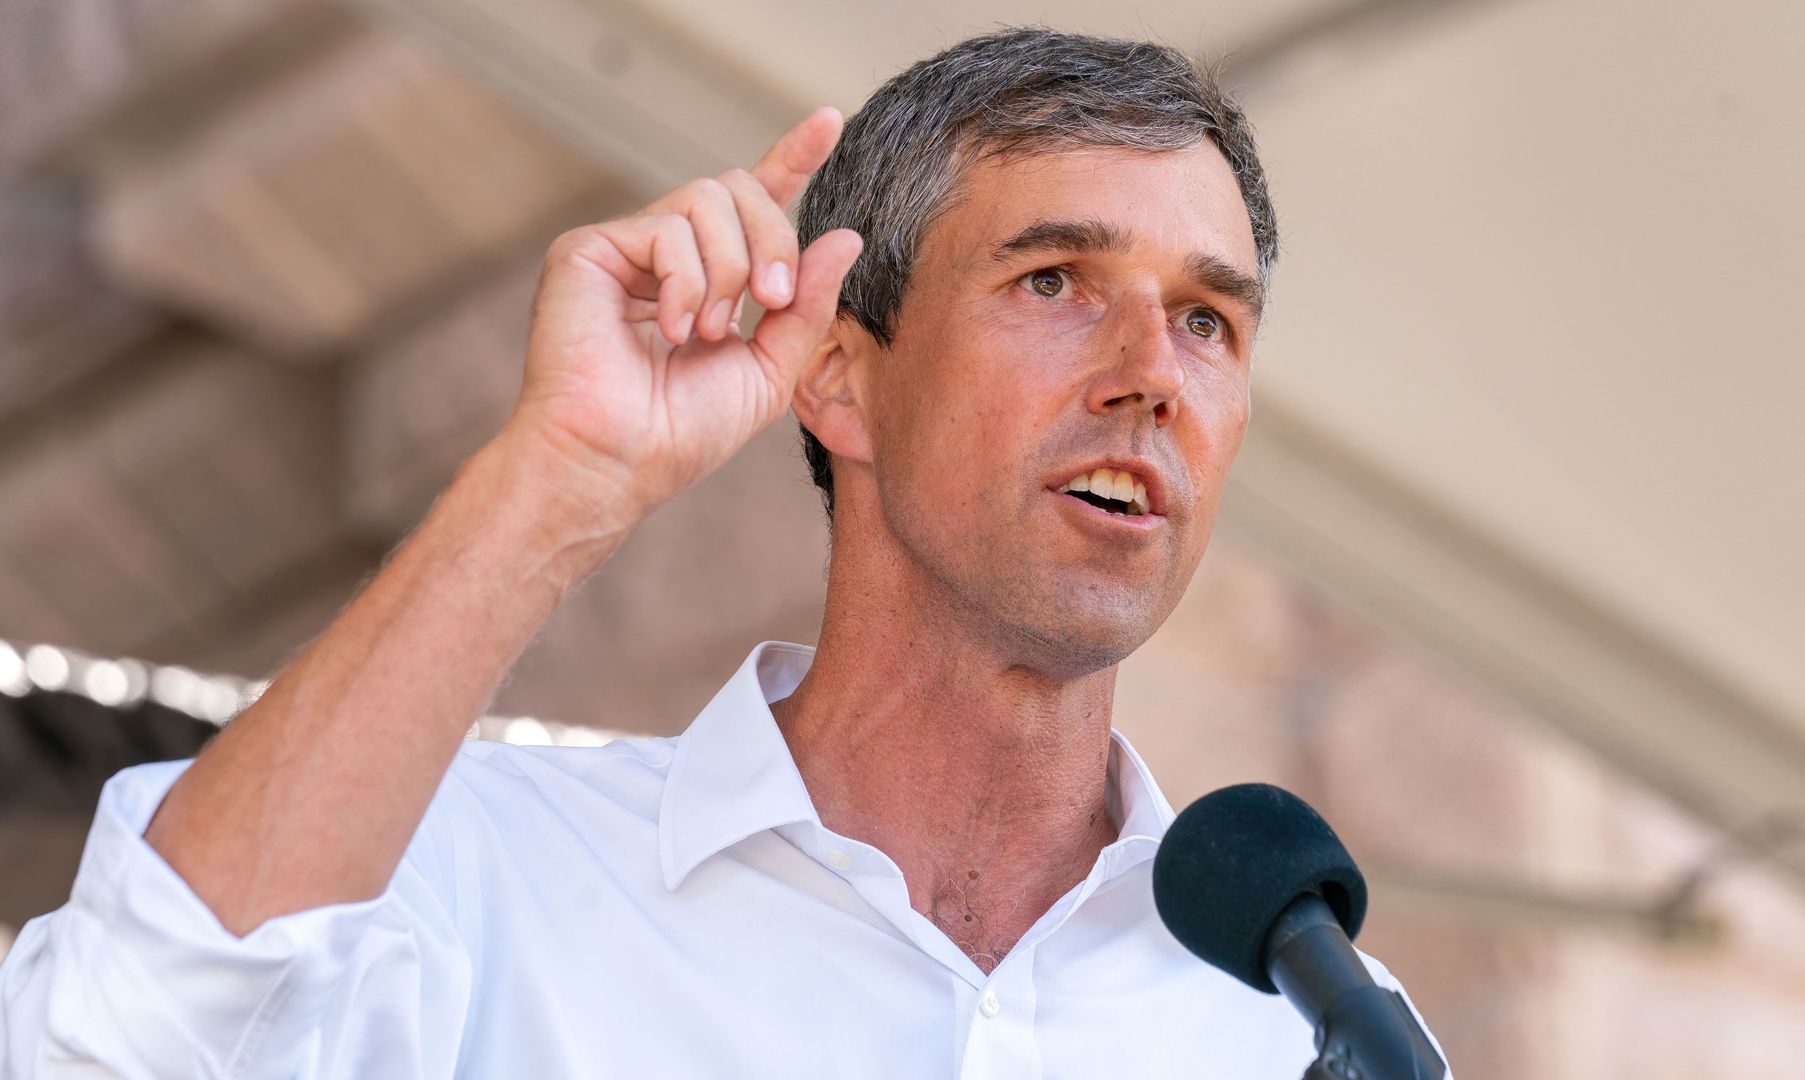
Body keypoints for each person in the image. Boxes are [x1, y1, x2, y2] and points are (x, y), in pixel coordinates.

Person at [0, 27, 1443, 1078]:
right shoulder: (469, 879)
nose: (1152, 374)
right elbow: (105, 1043)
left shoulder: (1305, 1023)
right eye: (1054, 281)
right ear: (839, 376)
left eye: (1208, 318)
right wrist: (556, 481)